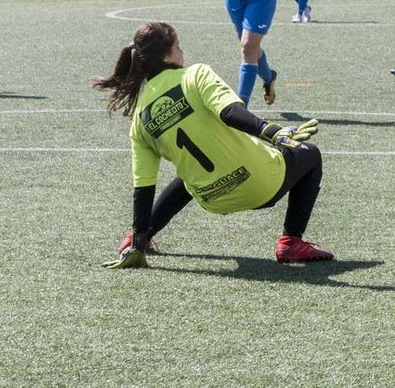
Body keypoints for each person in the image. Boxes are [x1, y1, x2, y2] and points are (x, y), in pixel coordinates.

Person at [92, 22, 333, 268]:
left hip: (213, 199)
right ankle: (291, 241)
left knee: (188, 174)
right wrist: (269, 131)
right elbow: (229, 112)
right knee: (311, 154)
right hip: (262, 184)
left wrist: (137, 241)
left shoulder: (139, 120)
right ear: (165, 56)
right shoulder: (195, 75)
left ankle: (139, 239)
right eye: (178, 46)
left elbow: (143, 188)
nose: (182, 52)